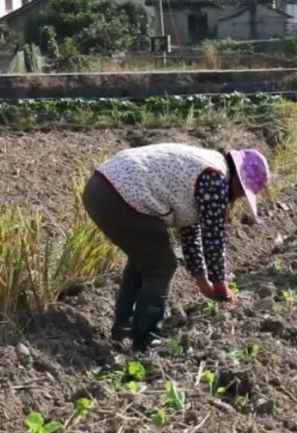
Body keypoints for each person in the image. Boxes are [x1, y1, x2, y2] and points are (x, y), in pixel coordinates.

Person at [82, 144, 270, 352]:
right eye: (243, 191)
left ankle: (123, 328)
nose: (241, 196)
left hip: (101, 189)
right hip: (117, 195)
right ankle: (145, 339)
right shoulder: (216, 179)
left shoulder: (208, 169)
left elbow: (191, 233)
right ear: (238, 178)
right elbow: (213, 239)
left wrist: (204, 283)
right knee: (162, 266)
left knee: (144, 260)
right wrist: (219, 285)